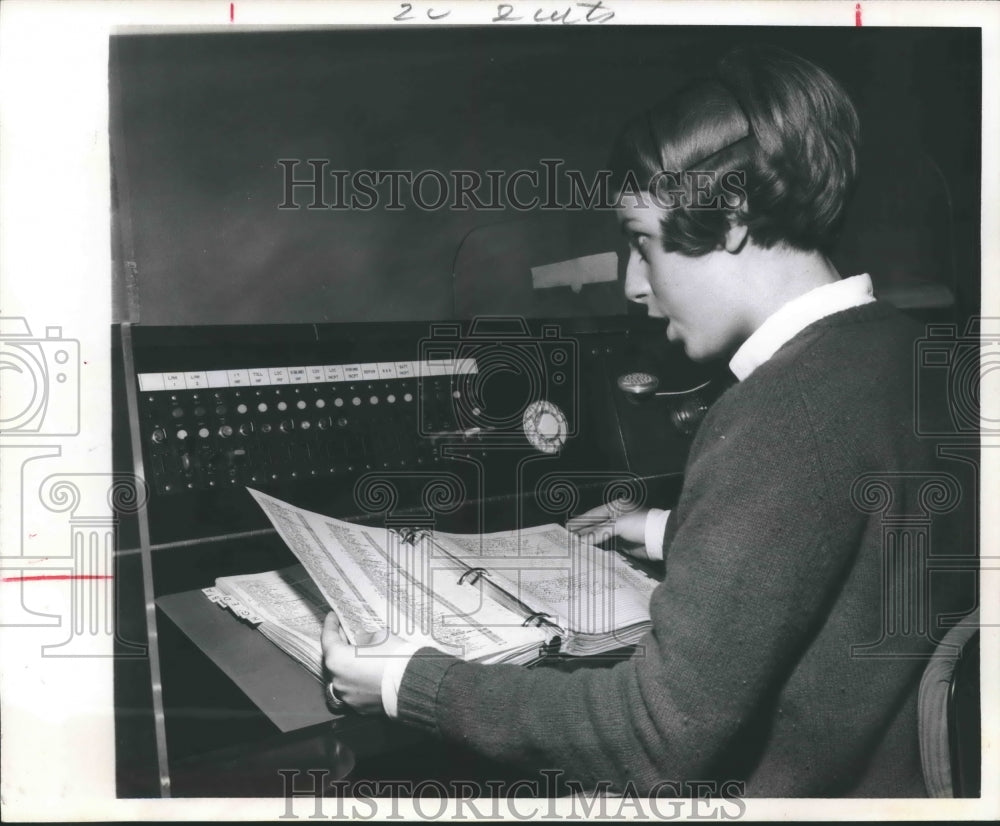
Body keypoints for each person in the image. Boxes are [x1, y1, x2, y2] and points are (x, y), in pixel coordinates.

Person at [320, 45, 970, 797]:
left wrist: (407, 683)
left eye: (641, 241)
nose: (633, 284)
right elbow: (864, 537)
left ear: (731, 217)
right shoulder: (915, 355)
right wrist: (669, 530)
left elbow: (653, 740)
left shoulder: (777, 412)